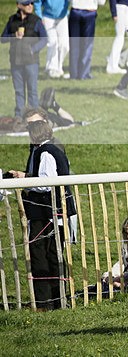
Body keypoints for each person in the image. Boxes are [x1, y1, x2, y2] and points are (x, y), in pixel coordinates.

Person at [7, 120, 74, 310]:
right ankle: (56, 300)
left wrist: (24, 179)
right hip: (52, 213)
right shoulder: (54, 149)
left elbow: (45, 183)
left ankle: (46, 301)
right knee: (53, 255)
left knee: (41, 256)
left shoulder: (46, 152)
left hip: (45, 213)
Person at [2, 0, 47, 118]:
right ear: (19, 5)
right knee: (19, 91)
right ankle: (19, 117)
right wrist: (13, 36)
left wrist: (34, 49)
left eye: (31, 3)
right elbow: (3, 38)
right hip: (15, 61)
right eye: (27, 4)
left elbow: (44, 39)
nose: (30, 6)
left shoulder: (36, 21)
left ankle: (34, 117)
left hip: (31, 61)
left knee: (32, 90)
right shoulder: (12, 20)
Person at [66, 0, 104, 81]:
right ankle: (84, 73)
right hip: (89, 13)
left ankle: (74, 73)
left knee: (75, 43)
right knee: (87, 44)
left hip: (76, 12)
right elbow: (102, 1)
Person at [34, 0, 70, 80]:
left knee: (64, 44)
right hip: (48, 18)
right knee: (53, 42)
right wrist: (40, 17)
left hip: (62, 18)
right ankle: (51, 68)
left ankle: (59, 67)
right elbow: (37, 2)